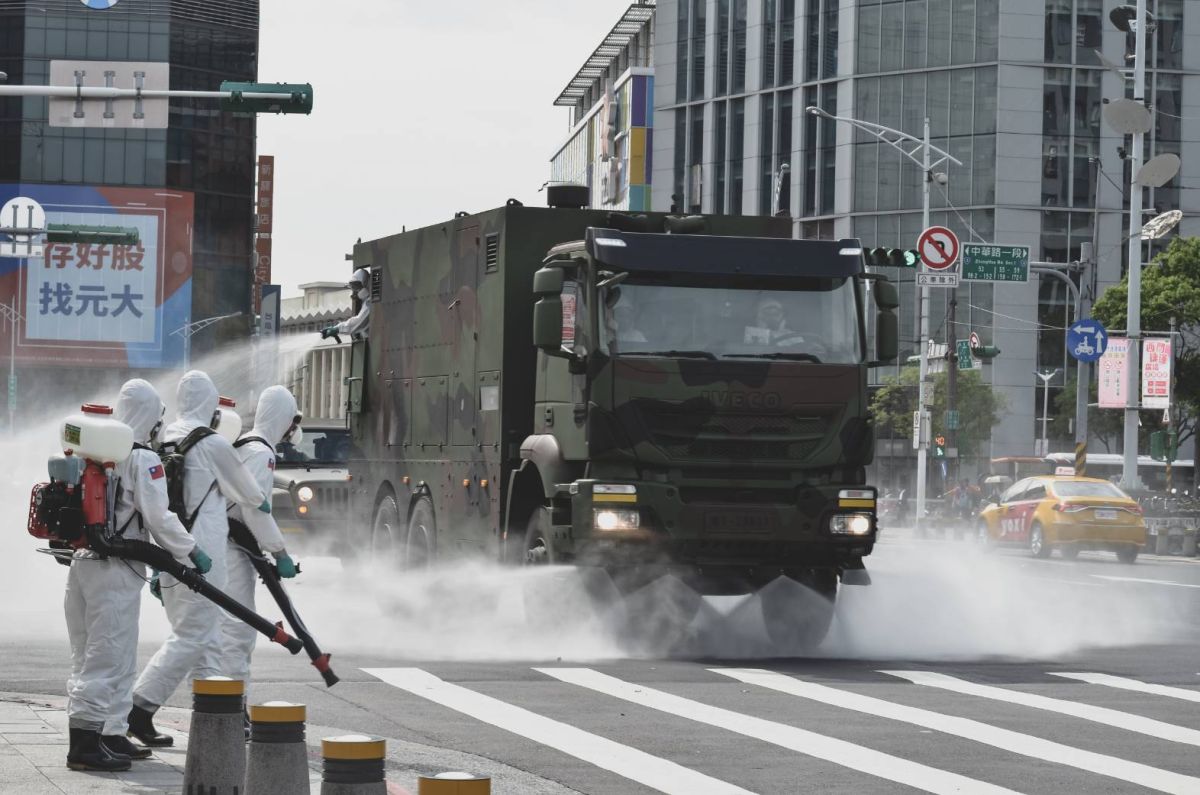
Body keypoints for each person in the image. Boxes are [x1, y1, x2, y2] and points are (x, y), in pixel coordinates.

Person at [63, 379, 209, 770]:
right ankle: (84, 746)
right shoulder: (143, 457)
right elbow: (159, 518)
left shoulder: (92, 449)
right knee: (110, 656)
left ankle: (109, 731)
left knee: (89, 652)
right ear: (151, 416)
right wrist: (191, 551)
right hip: (116, 568)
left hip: (82, 563)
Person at [128, 371, 268, 747]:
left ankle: (217, 717)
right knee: (193, 635)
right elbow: (250, 493)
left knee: (203, 637)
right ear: (211, 405)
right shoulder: (212, 443)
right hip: (204, 552)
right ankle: (140, 708)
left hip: (169, 551)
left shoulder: (164, 437)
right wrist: (265, 505)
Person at [219, 386, 300, 696]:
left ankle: (223, 707)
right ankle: (233, 711)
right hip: (233, 551)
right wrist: (280, 552)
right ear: (283, 419)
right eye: (292, 420)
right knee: (237, 634)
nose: (293, 429)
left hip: (228, 546)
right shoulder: (262, 453)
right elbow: (254, 511)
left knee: (223, 633)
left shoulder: (244, 445)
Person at [321, 268, 370, 341]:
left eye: (357, 286)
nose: (355, 290)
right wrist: (337, 328)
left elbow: (359, 322)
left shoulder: (370, 302)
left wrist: (337, 328)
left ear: (365, 284)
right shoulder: (366, 301)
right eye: (353, 287)